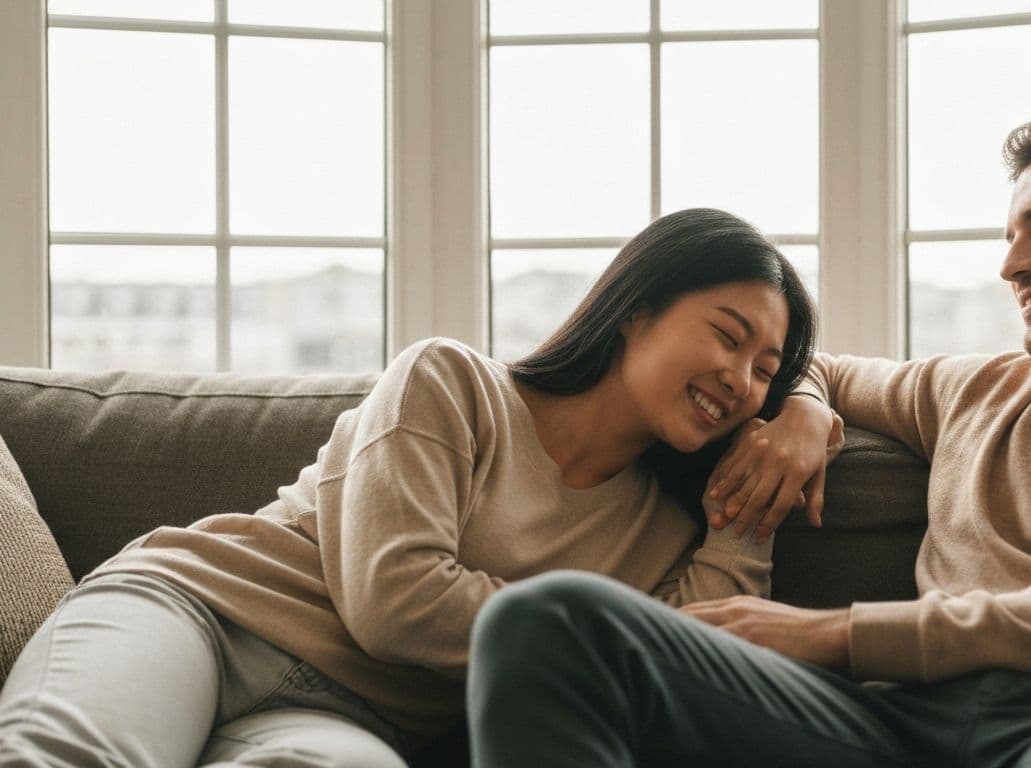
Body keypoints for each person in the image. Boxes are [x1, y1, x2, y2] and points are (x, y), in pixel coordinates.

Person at [464, 113, 1031, 767]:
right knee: (545, 619)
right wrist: (805, 411)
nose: (1011, 264)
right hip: (875, 733)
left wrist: (845, 635)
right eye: (1010, 236)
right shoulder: (979, 387)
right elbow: (814, 367)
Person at [0, 208, 824, 767]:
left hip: (348, 720)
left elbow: (684, 672)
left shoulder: (671, 532)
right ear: (636, 310)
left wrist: (794, 433)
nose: (741, 381)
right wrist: (571, 640)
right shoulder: (453, 383)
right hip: (200, 613)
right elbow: (395, 600)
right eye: (727, 335)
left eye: (764, 372)